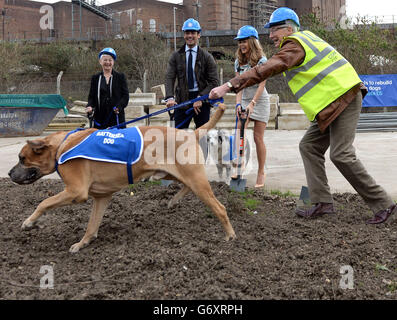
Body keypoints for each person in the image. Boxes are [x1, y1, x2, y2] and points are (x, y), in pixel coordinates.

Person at [209, 7, 396, 224]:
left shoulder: (295, 44)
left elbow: (268, 68)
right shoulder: (304, 40)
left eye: (275, 30)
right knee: (309, 146)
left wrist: (230, 85)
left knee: (341, 154)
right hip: (329, 105)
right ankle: (322, 203)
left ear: (289, 28)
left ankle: (385, 205)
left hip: (344, 98)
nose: (270, 36)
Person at [233, 25, 270, 188]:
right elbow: (238, 85)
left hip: (260, 100)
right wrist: (238, 104)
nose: (242, 44)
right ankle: (239, 165)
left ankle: (261, 171)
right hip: (245, 99)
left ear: (252, 42)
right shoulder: (238, 62)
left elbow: (262, 85)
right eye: (240, 41)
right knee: (239, 132)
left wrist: (253, 104)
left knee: (257, 138)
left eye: (244, 41)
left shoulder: (262, 61)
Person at [165, 18, 219, 129]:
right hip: (182, 101)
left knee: (202, 137)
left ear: (198, 35)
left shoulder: (207, 57)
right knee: (178, 138)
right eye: (187, 33)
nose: (190, 36)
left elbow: (214, 82)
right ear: (184, 35)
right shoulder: (176, 56)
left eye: (193, 33)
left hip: (202, 102)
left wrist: (201, 98)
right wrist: (170, 97)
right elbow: (169, 77)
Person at [86, 47, 129, 129]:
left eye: (110, 60)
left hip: (116, 119)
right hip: (100, 119)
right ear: (100, 62)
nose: (107, 62)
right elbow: (91, 97)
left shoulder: (120, 77)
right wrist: (90, 106)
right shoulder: (95, 78)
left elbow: (125, 96)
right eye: (105, 60)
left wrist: (119, 107)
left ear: (113, 62)